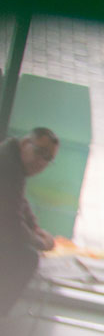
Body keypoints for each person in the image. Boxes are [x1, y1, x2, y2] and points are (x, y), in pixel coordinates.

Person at [0, 128, 58, 315]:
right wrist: (40, 242)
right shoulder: (8, 166)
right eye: (40, 152)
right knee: (27, 257)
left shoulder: (13, 160)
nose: (41, 162)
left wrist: (34, 228)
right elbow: (9, 223)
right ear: (26, 143)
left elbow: (18, 201)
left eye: (48, 158)